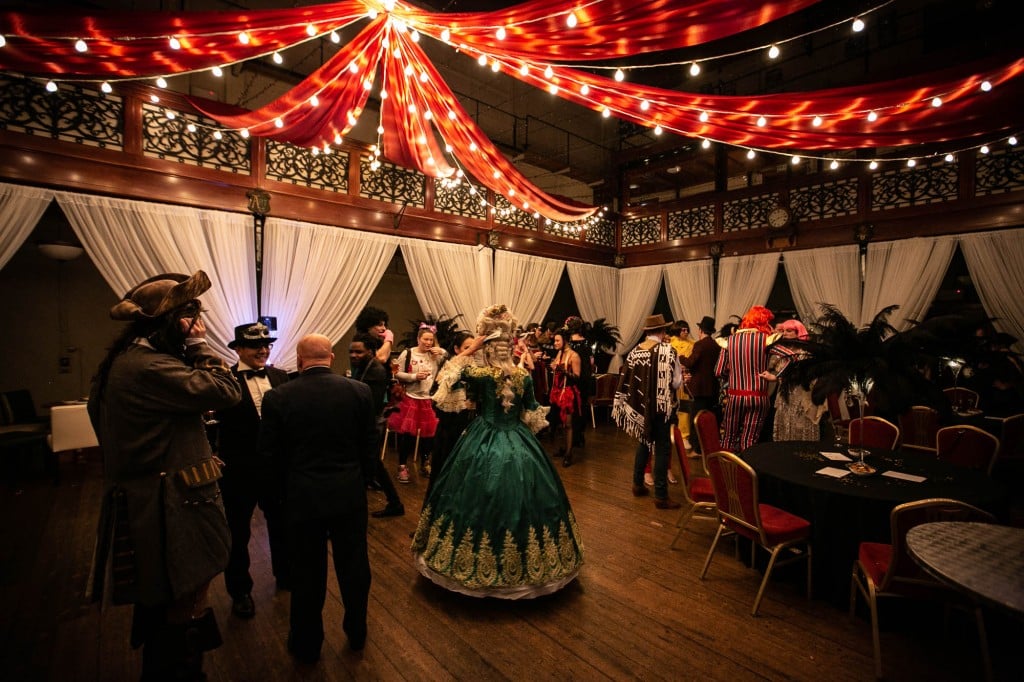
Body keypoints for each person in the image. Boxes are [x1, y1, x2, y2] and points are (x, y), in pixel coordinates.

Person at [87, 270, 241, 680]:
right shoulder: (150, 366)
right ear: (174, 322)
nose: (203, 327)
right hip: (170, 504)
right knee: (184, 600)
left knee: (162, 600)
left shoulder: (123, 362)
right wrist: (202, 349)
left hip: (152, 493)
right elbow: (227, 391)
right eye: (195, 319)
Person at [412, 304, 584, 599]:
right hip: (518, 441)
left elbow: (444, 381)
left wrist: (469, 350)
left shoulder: (479, 374)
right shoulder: (524, 377)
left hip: (482, 437)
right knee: (529, 493)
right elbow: (532, 413)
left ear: (489, 348)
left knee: (472, 495)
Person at [259, 334, 376, 662]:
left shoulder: (278, 397)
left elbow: (268, 457)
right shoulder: (359, 392)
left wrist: (273, 500)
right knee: (354, 567)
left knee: (307, 573)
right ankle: (356, 631)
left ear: (298, 359)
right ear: (332, 356)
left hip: (302, 498)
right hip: (348, 494)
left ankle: (306, 643)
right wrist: (361, 483)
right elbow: (369, 449)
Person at [216, 321, 291, 620]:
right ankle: (240, 591)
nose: (263, 350)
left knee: (282, 525)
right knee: (237, 532)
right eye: (255, 346)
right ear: (238, 349)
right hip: (239, 470)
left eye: (266, 345)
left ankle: (286, 575)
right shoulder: (223, 380)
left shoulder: (281, 376)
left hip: (276, 469)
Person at [613, 314, 683, 510]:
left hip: (641, 407)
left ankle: (637, 484)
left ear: (647, 331)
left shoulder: (635, 352)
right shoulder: (669, 351)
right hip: (662, 408)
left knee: (644, 443)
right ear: (662, 331)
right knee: (662, 449)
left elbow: (628, 380)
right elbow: (676, 382)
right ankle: (661, 495)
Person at [349, 332, 404, 518]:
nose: (353, 355)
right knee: (373, 465)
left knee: (367, 467)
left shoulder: (375, 370)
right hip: (368, 424)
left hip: (370, 425)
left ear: (371, 352)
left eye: (359, 352)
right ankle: (395, 503)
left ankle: (356, 512)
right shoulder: (365, 367)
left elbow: (371, 404)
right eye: (351, 352)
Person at [387, 324, 446, 483]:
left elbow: (452, 359)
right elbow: (395, 372)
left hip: (428, 399)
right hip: (410, 398)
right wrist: (414, 377)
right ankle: (402, 466)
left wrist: (442, 351)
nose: (428, 343)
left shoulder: (435, 355)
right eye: (425, 339)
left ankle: (425, 463)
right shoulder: (408, 353)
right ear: (418, 339)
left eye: (431, 340)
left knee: (429, 435)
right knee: (408, 435)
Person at [716, 305, 778, 452]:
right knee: (750, 439)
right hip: (759, 397)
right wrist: (775, 377)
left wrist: (732, 375)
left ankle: (726, 472)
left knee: (728, 437)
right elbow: (790, 357)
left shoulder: (729, 341)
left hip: (735, 397)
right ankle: (748, 473)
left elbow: (718, 371)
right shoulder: (766, 340)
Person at [427, 331, 477, 500]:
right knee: (445, 472)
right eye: (468, 348)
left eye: (475, 348)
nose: (473, 351)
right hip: (450, 431)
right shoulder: (451, 369)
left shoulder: (478, 368)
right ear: (456, 349)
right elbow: (441, 401)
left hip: (472, 430)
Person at [762, 319, 825, 441]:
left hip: (801, 393)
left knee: (800, 423)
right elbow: (778, 371)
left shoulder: (806, 352)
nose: (785, 333)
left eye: (789, 331)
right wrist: (773, 377)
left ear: (798, 333)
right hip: (785, 394)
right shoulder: (781, 351)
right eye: (783, 331)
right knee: (785, 422)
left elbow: (809, 374)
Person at [680, 316, 722, 454]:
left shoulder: (699, 345)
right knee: (709, 420)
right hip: (713, 388)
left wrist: (679, 357)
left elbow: (691, 362)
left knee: (696, 420)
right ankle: (708, 448)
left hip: (699, 389)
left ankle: (696, 449)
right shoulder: (716, 345)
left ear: (700, 330)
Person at [549, 328, 582, 467]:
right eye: (555, 340)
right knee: (559, 424)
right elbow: (556, 369)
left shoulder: (574, 356)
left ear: (565, 341)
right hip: (557, 392)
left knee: (568, 425)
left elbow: (577, 377)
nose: (555, 343)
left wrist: (564, 371)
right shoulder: (559, 353)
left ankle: (569, 454)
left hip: (567, 393)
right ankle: (563, 449)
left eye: (557, 340)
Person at [565, 316, 594, 449]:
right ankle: (579, 434)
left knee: (572, 406)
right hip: (585, 378)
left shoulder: (569, 344)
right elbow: (591, 362)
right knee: (582, 406)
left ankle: (573, 435)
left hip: (573, 378)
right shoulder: (587, 343)